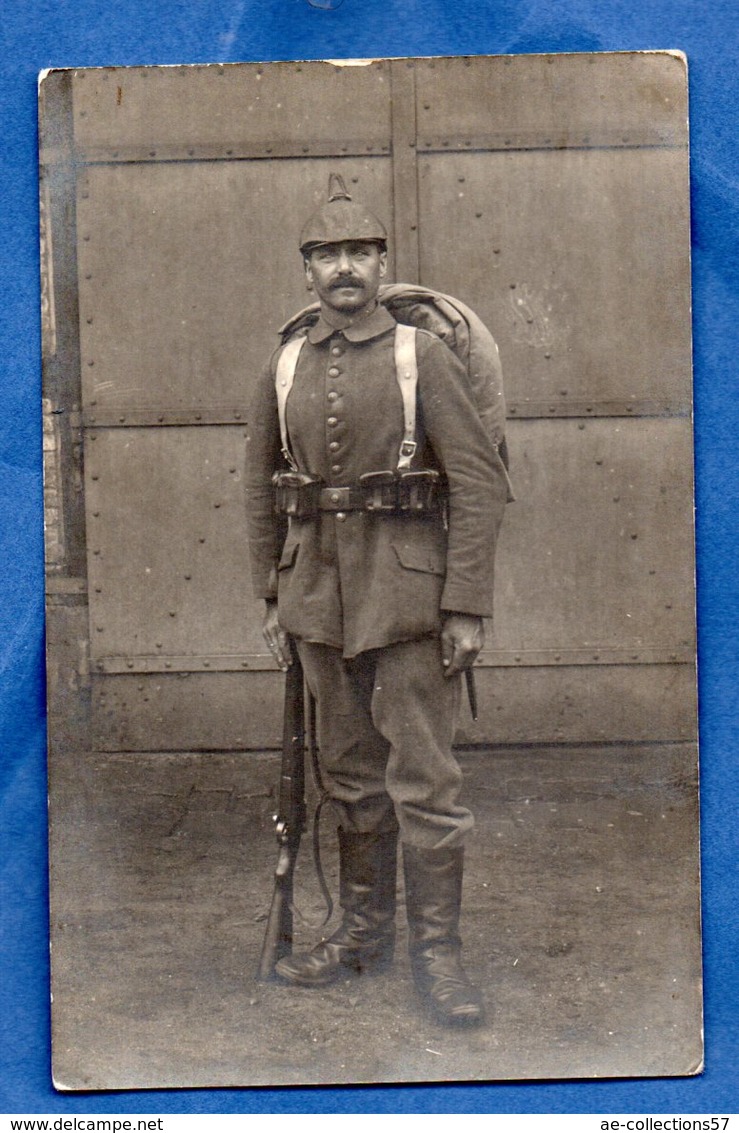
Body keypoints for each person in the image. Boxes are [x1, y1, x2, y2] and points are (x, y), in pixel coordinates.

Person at [245, 175, 509, 1026]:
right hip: (316, 596)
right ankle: (362, 935)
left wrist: (465, 602)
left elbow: (477, 480)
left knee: (424, 779)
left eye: (359, 252)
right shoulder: (285, 360)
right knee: (349, 772)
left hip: (407, 598)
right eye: (327, 255)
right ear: (307, 271)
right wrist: (270, 594)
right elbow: (258, 484)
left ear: (382, 261)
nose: (345, 268)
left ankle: (439, 955)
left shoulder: (418, 355)